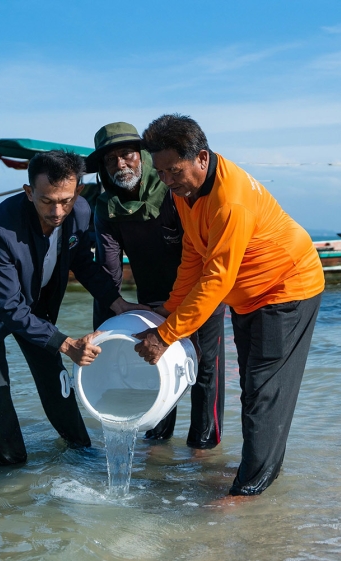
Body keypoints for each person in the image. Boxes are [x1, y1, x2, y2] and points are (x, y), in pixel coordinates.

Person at [133, 114, 325, 496]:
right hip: (248, 295)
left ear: (201, 158)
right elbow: (193, 253)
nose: (168, 180)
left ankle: (249, 490)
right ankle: (259, 469)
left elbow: (216, 279)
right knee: (255, 388)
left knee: (262, 388)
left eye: (174, 170)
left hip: (286, 287)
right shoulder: (185, 191)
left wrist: (166, 335)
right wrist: (169, 309)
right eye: (161, 172)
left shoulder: (230, 200)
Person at [0, 150, 146, 466]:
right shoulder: (2, 230)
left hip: (34, 304)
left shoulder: (82, 212)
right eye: (47, 201)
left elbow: (83, 264)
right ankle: (10, 468)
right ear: (29, 192)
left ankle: (80, 449)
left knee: (55, 375)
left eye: (66, 200)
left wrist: (117, 303)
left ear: (78, 192)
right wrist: (66, 343)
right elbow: (8, 306)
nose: (58, 210)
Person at [86, 122, 226, 449]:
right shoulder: (106, 207)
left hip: (199, 294)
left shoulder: (172, 190)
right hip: (150, 300)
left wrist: (188, 303)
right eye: (110, 160)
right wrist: (102, 331)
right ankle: (158, 451)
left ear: (144, 157)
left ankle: (203, 453)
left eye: (127, 155)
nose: (120, 164)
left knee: (203, 372)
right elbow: (108, 272)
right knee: (155, 366)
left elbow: (202, 252)